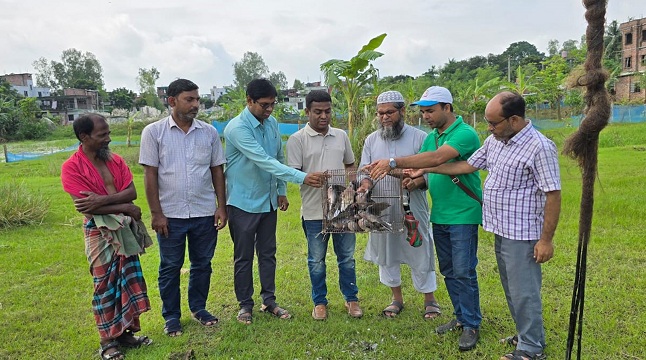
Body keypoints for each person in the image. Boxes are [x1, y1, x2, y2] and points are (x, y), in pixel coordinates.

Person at [421, 92, 561, 360]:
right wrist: (427, 170)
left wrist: (546, 240)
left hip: (523, 234)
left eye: (494, 123)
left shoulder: (539, 147)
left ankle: (531, 349)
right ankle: (524, 335)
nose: (489, 128)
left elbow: (552, 194)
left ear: (515, 120)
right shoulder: (496, 142)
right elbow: (465, 165)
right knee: (512, 289)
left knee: (524, 292)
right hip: (501, 229)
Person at [365, 86, 483, 351]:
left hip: (463, 213)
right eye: (423, 111)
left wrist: (392, 162)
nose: (426, 116)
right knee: (450, 270)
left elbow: (436, 159)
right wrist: (404, 176)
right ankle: (461, 318)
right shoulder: (432, 136)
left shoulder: (464, 133)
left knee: (464, 270)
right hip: (440, 213)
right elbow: (422, 170)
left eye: (431, 111)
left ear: (447, 108)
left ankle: (472, 324)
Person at [223, 79, 326, 324]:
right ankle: (245, 305)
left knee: (268, 254)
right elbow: (264, 161)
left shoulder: (272, 124)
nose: (269, 110)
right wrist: (302, 177)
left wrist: (280, 190)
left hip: (268, 202)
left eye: (272, 104)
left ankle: (269, 301)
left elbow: (278, 155)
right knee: (244, 256)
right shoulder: (237, 129)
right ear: (249, 101)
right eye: (264, 105)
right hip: (243, 203)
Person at [139, 78, 227, 337]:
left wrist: (221, 207)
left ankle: (199, 308)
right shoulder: (154, 132)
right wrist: (156, 213)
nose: (196, 105)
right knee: (170, 266)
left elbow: (217, 171)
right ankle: (172, 317)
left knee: (203, 264)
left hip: (203, 212)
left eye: (197, 99)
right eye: (189, 99)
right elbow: (150, 175)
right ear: (172, 101)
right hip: (171, 215)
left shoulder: (208, 132)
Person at [61, 114, 152, 360]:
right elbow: (86, 208)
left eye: (108, 133)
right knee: (104, 286)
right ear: (84, 137)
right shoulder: (72, 167)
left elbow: (131, 191)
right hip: (98, 231)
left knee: (126, 281)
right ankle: (107, 341)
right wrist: (125, 206)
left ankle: (124, 333)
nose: (108, 139)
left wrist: (102, 200)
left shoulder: (116, 160)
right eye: (102, 135)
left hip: (123, 229)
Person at [358, 90, 441, 320]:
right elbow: (364, 170)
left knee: (419, 247)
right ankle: (396, 298)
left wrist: (418, 181)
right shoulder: (371, 140)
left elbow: (432, 171)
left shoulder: (419, 138)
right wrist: (364, 184)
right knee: (387, 251)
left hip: (413, 205)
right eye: (380, 113)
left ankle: (429, 299)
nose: (384, 117)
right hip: (381, 206)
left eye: (390, 112)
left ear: (402, 111)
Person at [286, 90, 362, 320]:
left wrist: (352, 186)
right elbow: (293, 173)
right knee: (316, 259)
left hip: (343, 209)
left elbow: (350, 165)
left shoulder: (341, 136)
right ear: (307, 111)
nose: (323, 116)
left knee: (347, 256)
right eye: (317, 111)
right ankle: (319, 302)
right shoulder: (297, 139)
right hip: (313, 211)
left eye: (327, 111)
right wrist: (308, 177)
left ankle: (352, 299)